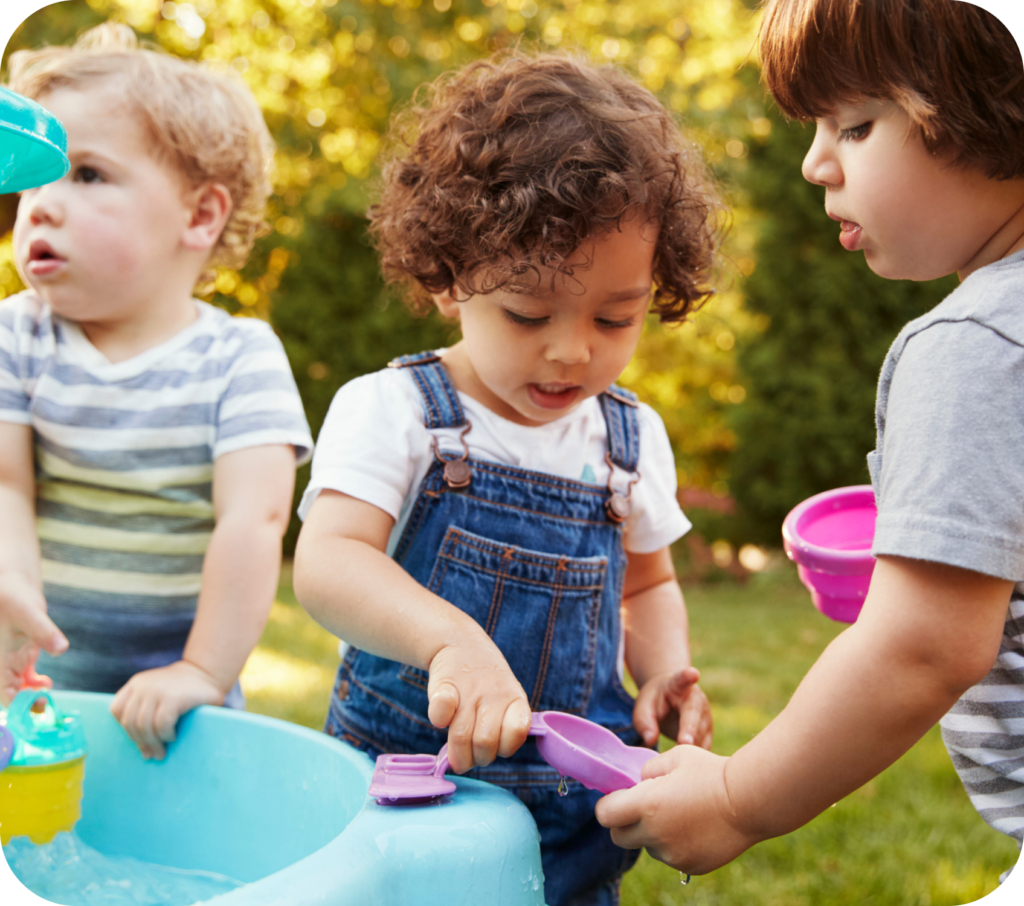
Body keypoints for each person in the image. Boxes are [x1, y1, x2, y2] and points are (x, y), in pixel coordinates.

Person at [594, 0, 1024, 888]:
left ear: (995, 104)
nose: (813, 162)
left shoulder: (976, 345)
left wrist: (734, 800)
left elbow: (923, 646)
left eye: (857, 125)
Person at [293, 52, 717, 905]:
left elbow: (646, 586)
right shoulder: (396, 411)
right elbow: (330, 564)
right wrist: (451, 641)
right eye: (528, 314)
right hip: (407, 805)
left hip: (569, 825)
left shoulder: (629, 440)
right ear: (451, 277)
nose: (572, 349)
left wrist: (665, 668)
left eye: (615, 316)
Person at [0, 24, 313, 759]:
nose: (40, 205)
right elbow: (6, 483)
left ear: (199, 215)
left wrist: (201, 670)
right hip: (30, 680)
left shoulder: (239, 356)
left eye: (86, 175)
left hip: (175, 706)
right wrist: (11, 593)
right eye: (35, 179)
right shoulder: (19, 334)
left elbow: (254, 518)